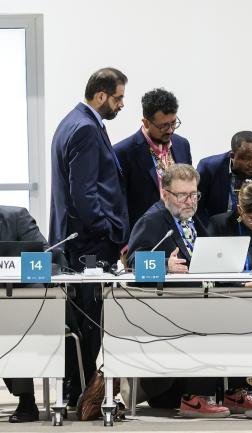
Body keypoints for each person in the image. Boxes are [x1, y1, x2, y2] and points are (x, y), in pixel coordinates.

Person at [126, 163, 252, 417]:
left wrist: (239, 285)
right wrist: (166, 265)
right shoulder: (153, 220)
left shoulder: (191, 219)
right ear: (165, 194)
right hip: (168, 306)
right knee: (208, 322)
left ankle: (233, 391)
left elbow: (209, 262)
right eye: (182, 196)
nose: (190, 201)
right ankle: (194, 398)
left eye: (194, 195)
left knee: (243, 314)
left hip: (198, 298)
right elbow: (133, 263)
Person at [49, 67, 130, 405]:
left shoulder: (76, 122)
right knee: (88, 321)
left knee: (85, 319)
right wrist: (106, 229)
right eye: (119, 97)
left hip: (82, 239)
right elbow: (83, 193)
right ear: (101, 95)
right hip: (88, 243)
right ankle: (81, 394)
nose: (121, 104)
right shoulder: (84, 128)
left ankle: (78, 392)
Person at [114, 88, 192, 229]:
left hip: (182, 234)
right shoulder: (123, 152)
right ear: (146, 122)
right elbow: (118, 205)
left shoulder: (182, 145)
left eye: (173, 123)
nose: (170, 130)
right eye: (163, 126)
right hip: (145, 238)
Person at [0, 205, 48, 422]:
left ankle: (27, 400)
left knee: (10, 319)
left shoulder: (16, 216)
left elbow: (46, 254)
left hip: (19, 298)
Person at [197, 131, 252, 220]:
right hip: (218, 228)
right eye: (247, 158)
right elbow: (198, 208)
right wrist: (210, 230)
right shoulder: (209, 168)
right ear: (232, 156)